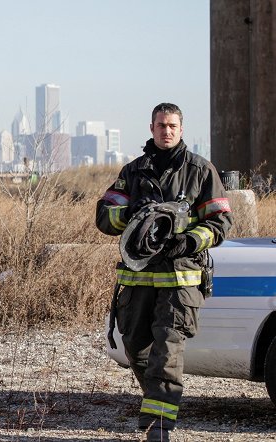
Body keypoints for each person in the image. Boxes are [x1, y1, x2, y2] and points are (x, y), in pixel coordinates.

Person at [95, 103, 233, 441]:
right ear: (152, 127)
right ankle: (156, 400)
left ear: (181, 129)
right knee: (136, 348)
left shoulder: (201, 171)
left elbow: (221, 222)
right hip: (136, 279)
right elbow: (103, 216)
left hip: (182, 280)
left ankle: (159, 429)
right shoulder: (133, 171)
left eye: (172, 125)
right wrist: (136, 217)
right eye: (160, 125)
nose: (166, 131)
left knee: (168, 350)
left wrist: (186, 241)